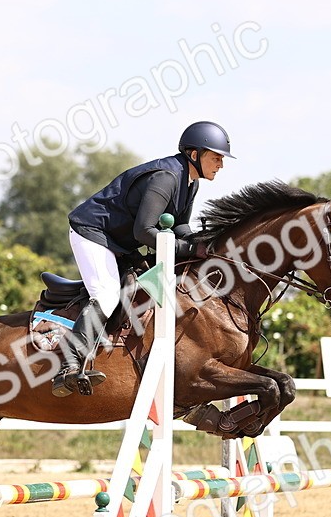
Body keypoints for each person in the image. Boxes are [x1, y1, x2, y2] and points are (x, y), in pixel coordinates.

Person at [53, 120, 234, 397]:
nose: (220, 164)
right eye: (216, 157)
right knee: (107, 294)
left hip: (120, 241)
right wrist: (188, 250)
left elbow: (180, 227)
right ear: (194, 155)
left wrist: (203, 243)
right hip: (92, 232)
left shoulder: (190, 182)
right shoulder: (166, 177)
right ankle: (68, 365)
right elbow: (145, 230)